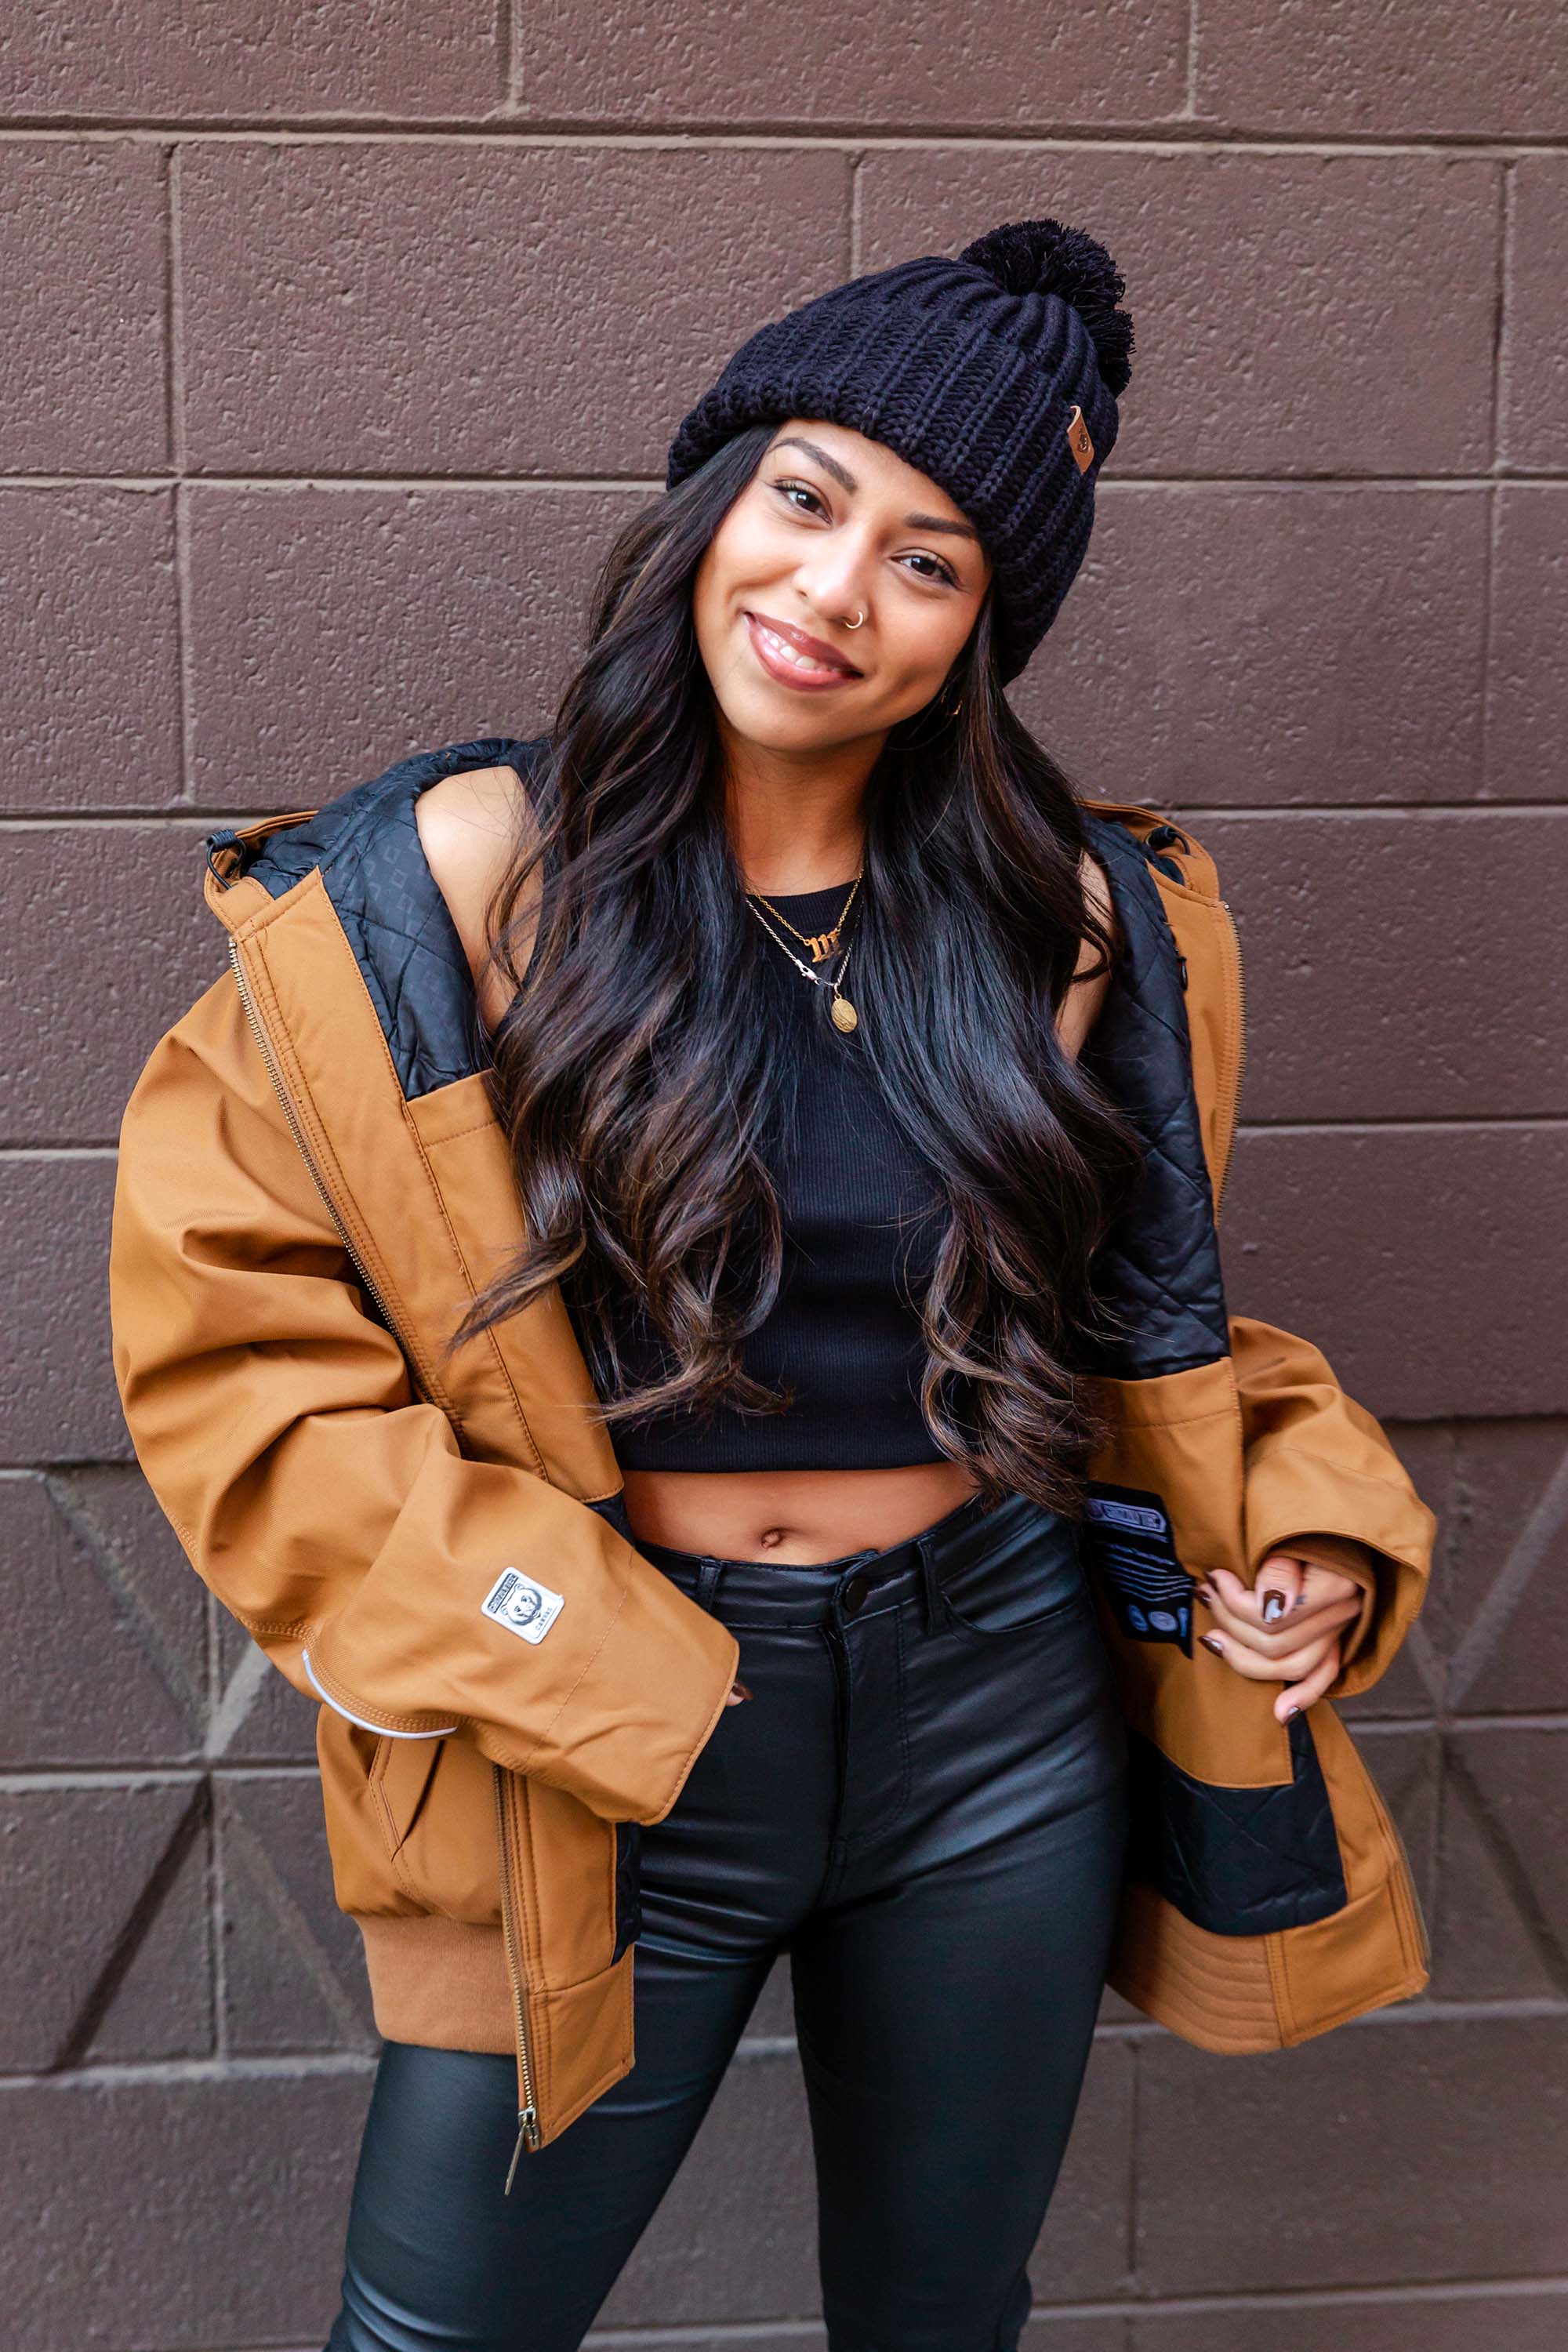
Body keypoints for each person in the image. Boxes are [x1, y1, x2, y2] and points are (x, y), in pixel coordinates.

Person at [107, 217, 1436, 2352]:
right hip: (597, 1721)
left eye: (932, 561)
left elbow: (1145, 1336)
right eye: (807, 498)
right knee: (442, 2334)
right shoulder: (455, 881)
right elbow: (236, 1354)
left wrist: (1294, 1535)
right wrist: (556, 1640)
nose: (835, 591)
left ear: (983, 632)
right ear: (714, 499)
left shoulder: (1079, 917)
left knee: (942, 2314)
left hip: (998, 1714)